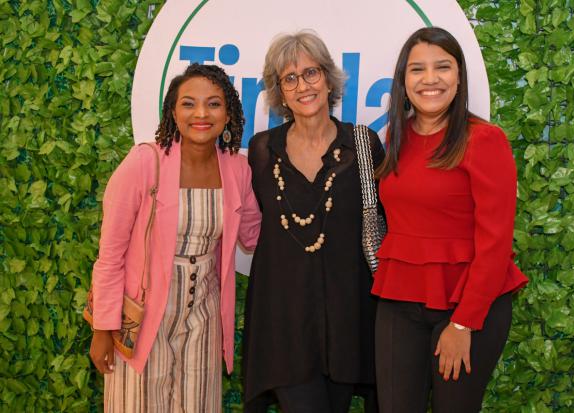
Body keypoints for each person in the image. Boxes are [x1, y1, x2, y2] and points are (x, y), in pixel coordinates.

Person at [371, 27, 529, 413]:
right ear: (403, 80)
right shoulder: (396, 136)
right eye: (417, 69)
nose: (430, 79)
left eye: (442, 67)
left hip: (467, 305)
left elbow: (494, 245)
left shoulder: (485, 140)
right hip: (398, 300)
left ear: (459, 76)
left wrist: (464, 324)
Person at [88, 64, 261, 412]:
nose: (201, 113)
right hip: (144, 315)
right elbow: (111, 254)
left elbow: (255, 235)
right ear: (172, 111)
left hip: (204, 317)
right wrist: (102, 329)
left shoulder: (237, 169)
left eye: (213, 104)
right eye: (188, 103)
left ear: (228, 114)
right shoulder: (144, 162)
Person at [242, 30, 384, 413]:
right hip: (284, 323)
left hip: (348, 321)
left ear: (328, 77)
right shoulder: (260, 151)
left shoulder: (364, 145)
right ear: (279, 91)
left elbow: (388, 226)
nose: (302, 85)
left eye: (311, 72)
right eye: (290, 78)